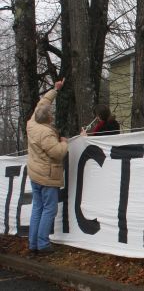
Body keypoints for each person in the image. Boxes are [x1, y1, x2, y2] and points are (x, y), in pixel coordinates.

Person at [26, 79, 68, 254]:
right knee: (49, 209)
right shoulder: (46, 133)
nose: (51, 115)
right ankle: (43, 244)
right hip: (47, 176)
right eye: (50, 115)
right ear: (47, 119)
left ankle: (33, 243)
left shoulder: (32, 123)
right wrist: (64, 142)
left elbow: (42, 103)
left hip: (35, 174)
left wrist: (55, 90)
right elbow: (58, 153)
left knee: (37, 208)